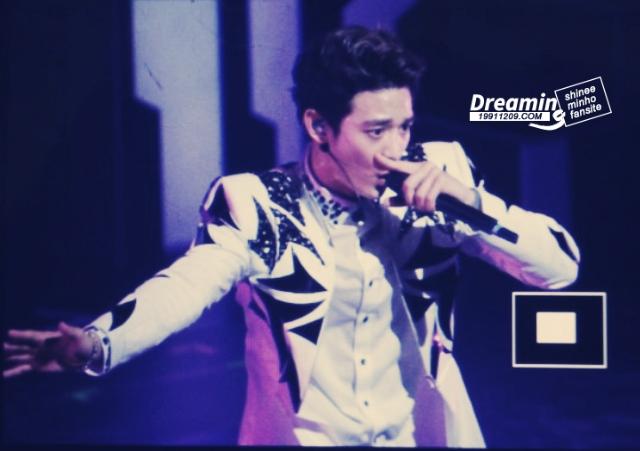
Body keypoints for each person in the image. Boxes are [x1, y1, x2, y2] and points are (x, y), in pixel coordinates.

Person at [2, 26, 580, 447]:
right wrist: (98, 344)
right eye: (376, 131)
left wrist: (470, 204)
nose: (396, 150)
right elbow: (184, 287)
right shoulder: (255, 203)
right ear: (318, 127)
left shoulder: (442, 174)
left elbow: (559, 270)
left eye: (405, 127)